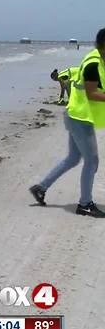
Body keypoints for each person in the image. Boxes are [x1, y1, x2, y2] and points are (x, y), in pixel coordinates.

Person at [30, 28, 105, 218]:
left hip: (77, 115)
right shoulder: (93, 64)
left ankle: (41, 187)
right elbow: (92, 93)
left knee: (73, 158)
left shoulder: (100, 60)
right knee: (92, 160)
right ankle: (85, 204)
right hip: (80, 118)